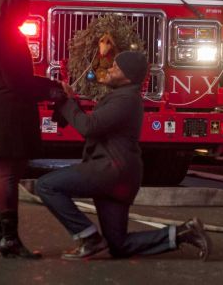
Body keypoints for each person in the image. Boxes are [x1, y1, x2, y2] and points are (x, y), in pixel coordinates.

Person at [36, 51, 212, 261]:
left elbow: (89, 127)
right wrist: (71, 101)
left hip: (110, 171)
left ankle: (89, 239)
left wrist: (66, 103)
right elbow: (96, 122)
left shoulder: (125, 99)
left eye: (116, 67)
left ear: (128, 76)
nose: (109, 69)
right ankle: (184, 233)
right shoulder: (123, 97)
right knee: (117, 245)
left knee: (47, 186)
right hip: (121, 175)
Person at [0, 0, 62, 259]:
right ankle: (9, 240)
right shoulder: (9, 36)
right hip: (9, 110)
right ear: (13, 8)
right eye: (24, 8)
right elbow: (19, 81)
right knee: (8, 176)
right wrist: (52, 89)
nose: (27, 13)